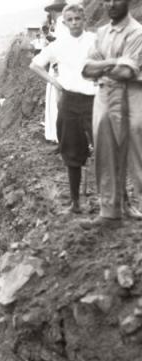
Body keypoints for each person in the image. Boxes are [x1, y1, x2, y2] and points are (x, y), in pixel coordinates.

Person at [30, 4, 97, 214]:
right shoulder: (58, 45)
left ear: (84, 19)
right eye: (71, 19)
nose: (75, 22)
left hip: (95, 102)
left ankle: (116, 202)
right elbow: (35, 64)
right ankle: (75, 203)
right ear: (65, 22)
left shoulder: (95, 41)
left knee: (106, 151)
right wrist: (55, 82)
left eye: (78, 18)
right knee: (72, 154)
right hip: (69, 102)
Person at [81, 0, 142, 228]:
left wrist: (102, 66)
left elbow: (127, 71)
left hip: (132, 95)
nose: (111, 3)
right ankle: (110, 212)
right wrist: (114, 62)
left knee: (137, 153)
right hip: (104, 95)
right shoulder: (101, 32)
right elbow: (86, 69)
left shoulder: (137, 32)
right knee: (105, 152)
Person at [43, 0, 67, 144]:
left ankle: (58, 136)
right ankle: (58, 135)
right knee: (55, 99)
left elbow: (62, 45)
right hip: (59, 63)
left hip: (60, 65)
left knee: (57, 100)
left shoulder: (62, 22)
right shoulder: (61, 23)